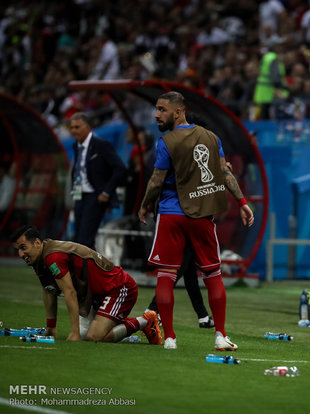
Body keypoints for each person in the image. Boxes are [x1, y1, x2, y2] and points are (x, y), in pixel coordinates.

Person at [138, 91, 254, 350]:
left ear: (178, 111)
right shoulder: (212, 138)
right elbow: (225, 172)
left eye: (162, 109)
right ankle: (220, 335)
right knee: (213, 274)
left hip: (171, 215)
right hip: (202, 215)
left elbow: (157, 180)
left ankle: (169, 338)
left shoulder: (166, 141)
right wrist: (242, 202)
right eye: (156, 109)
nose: (156, 114)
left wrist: (145, 205)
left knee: (166, 275)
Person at [10, 225, 161, 344]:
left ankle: (146, 320)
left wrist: (74, 333)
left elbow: (70, 292)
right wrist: (51, 328)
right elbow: (48, 290)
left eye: (23, 248)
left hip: (119, 288)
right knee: (86, 335)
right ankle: (116, 325)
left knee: (94, 336)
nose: (21, 255)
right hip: (94, 295)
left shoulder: (53, 257)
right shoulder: (40, 258)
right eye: (18, 250)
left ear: (37, 242)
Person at [69, 112, 127, 250]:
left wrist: (106, 192)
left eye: (77, 127)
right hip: (79, 195)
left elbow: (120, 169)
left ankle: (89, 270)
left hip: (96, 196)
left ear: (88, 127)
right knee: (78, 238)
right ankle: (87, 268)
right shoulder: (76, 146)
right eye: (72, 127)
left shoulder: (101, 145)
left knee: (85, 240)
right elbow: (78, 170)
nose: (73, 131)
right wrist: (75, 194)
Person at [252, 37, 289, 120]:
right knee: (267, 119)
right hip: (270, 93)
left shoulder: (266, 57)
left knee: (262, 117)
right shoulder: (273, 58)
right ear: (275, 46)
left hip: (262, 92)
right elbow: (274, 78)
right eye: (279, 45)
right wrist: (284, 87)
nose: (281, 47)